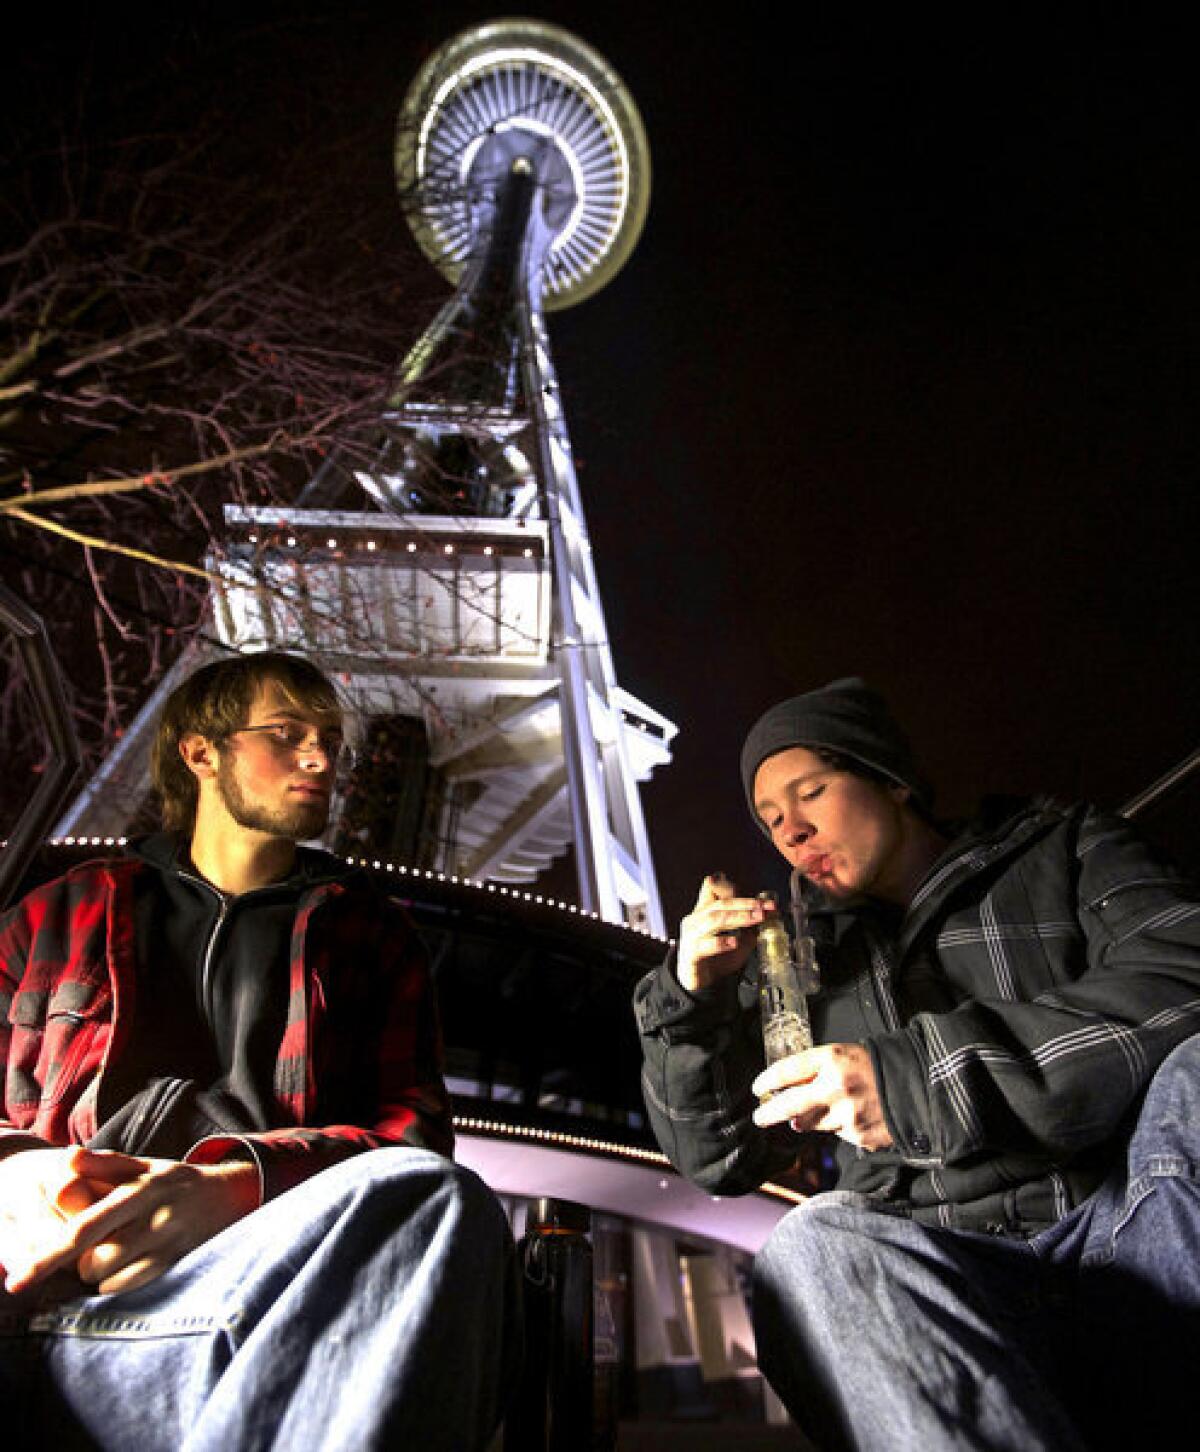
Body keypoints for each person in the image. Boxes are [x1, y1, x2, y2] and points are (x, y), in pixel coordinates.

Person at [634, 676, 1200, 1450]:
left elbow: (1185, 971)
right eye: (770, 820)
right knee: (811, 1242)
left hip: (1131, 1223)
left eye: (812, 793)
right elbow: (721, 1156)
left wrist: (915, 1082)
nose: (790, 832)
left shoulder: (1066, 848)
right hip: (942, 1276)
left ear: (891, 780)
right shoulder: (796, 963)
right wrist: (691, 1002)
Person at [0, 651, 518, 1450]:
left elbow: (409, 1135)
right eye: (287, 733)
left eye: (331, 743)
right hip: (34, 1280)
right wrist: (15, 1168)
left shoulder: (371, 936)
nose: (321, 759)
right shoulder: (50, 914)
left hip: (246, 1290)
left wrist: (239, 1185)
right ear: (200, 752)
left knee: (437, 1196)